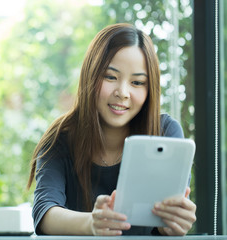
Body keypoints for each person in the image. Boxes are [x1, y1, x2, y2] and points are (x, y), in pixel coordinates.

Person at [26, 23, 196, 236]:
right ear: (91, 75)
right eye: (110, 77)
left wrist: (172, 223)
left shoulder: (165, 132)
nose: (123, 92)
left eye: (137, 82)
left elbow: (168, 222)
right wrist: (92, 224)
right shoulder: (61, 137)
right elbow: (45, 213)